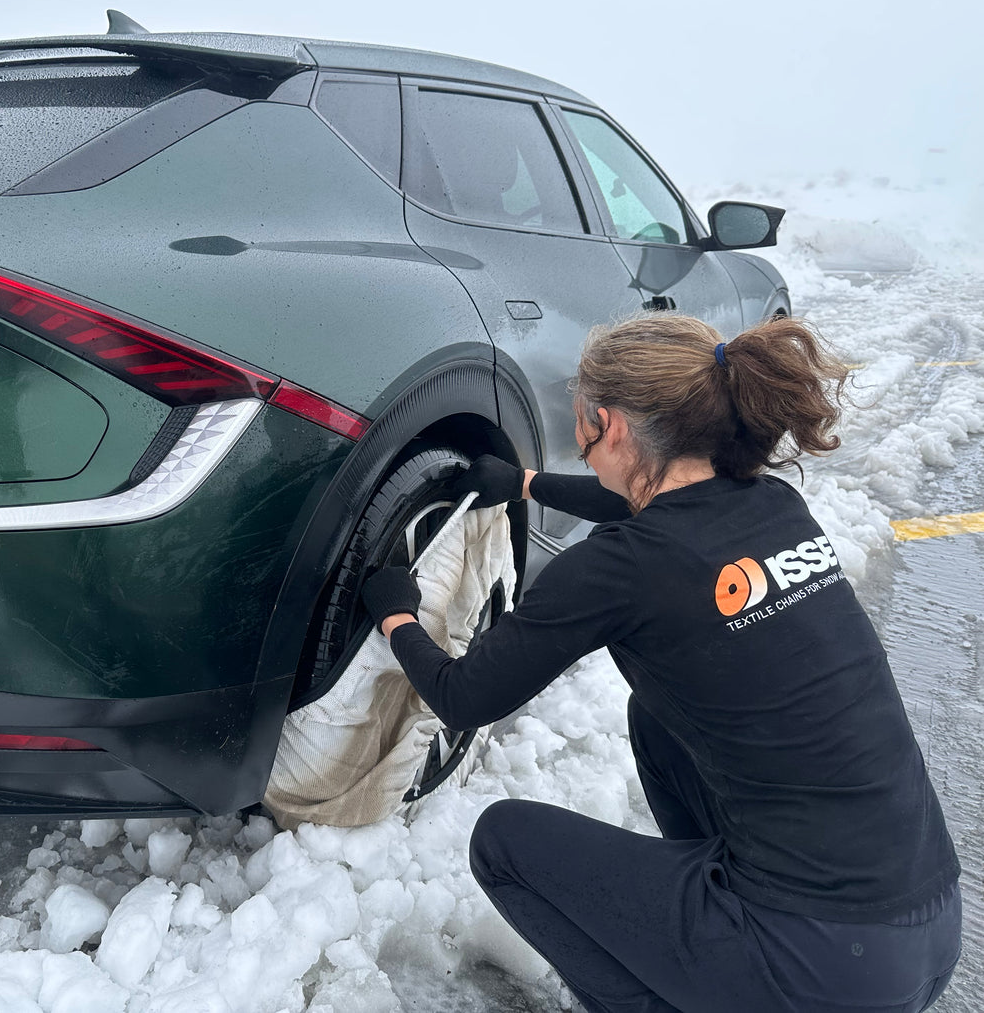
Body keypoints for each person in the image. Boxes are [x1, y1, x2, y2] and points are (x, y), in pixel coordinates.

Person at [360, 314, 960, 1013]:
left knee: (503, 843)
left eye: (580, 420)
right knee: (653, 717)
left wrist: (396, 611)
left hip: (818, 964)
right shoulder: (774, 506)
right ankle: (721, 952)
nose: (579, 442)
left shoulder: (618, 570)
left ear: (608, 424)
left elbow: (463, 697)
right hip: (923, 927)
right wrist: (525, 483)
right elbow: (644, 505)